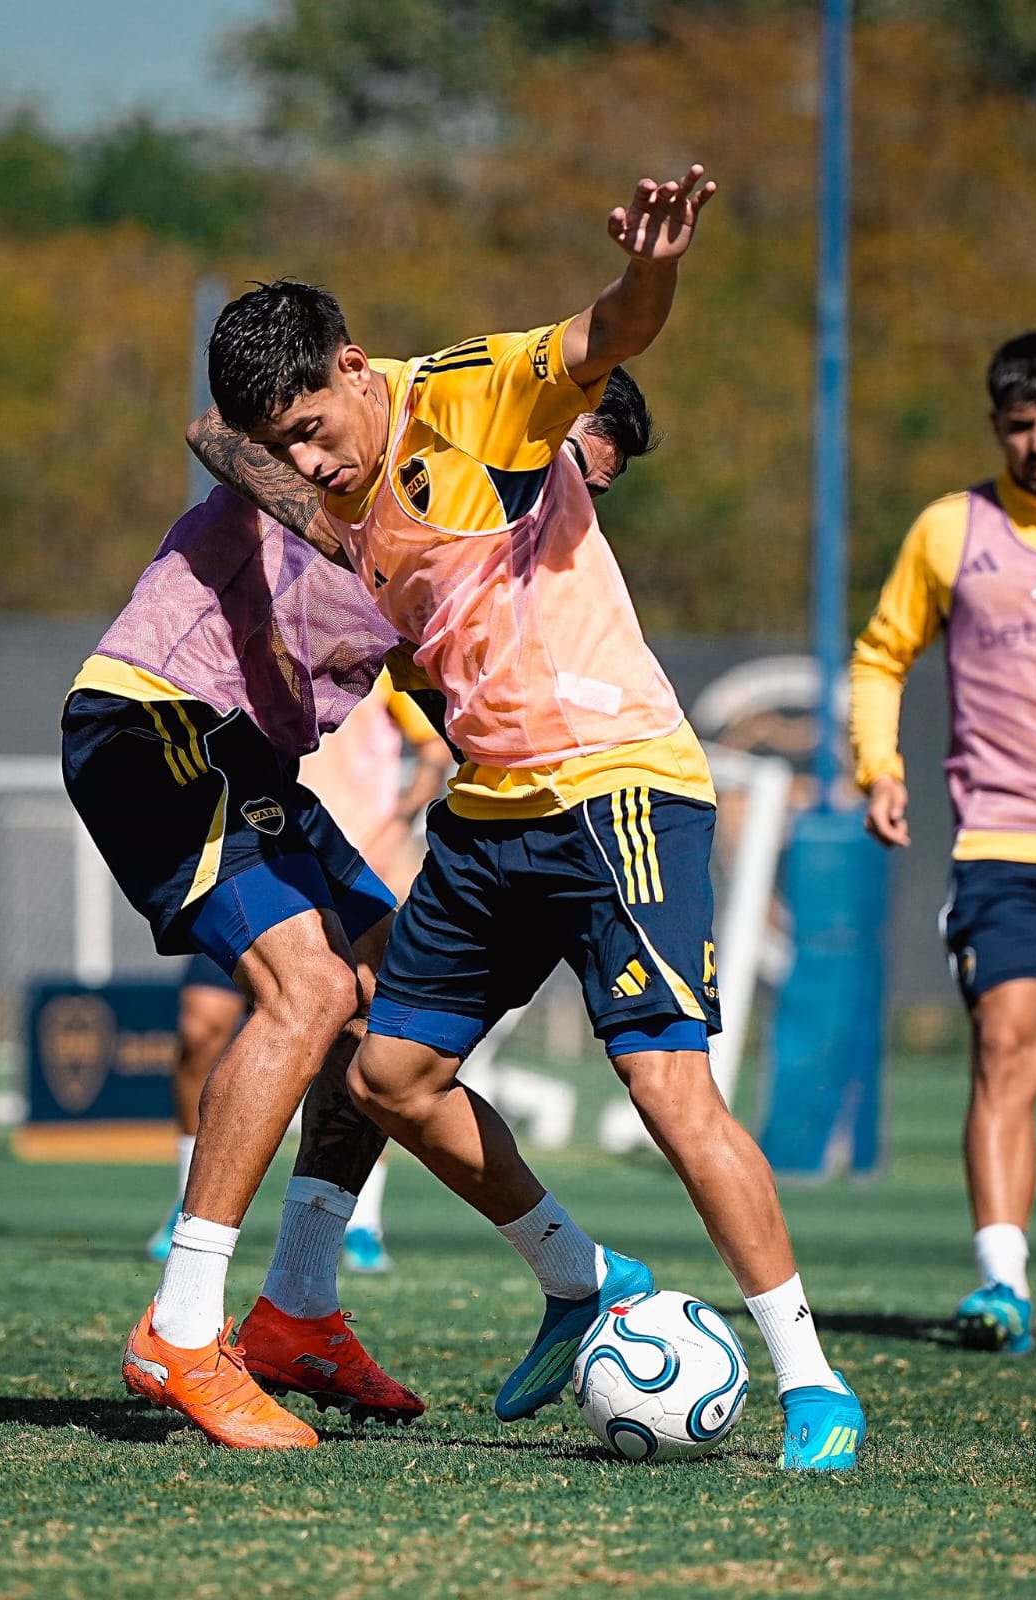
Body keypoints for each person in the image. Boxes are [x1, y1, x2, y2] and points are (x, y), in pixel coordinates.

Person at [201, 166, 866, 1470]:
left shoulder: (461, 395)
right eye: (280, 450)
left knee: (670, 1091)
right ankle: (580, 1280)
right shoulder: (329, 505)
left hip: (618, 785)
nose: (309, 462)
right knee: (387, 1072)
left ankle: (813, 1382)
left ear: (353, 366)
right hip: (491, 817)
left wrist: (656, 265)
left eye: (313, 429)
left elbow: (604, 334)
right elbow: (395, 638)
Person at [68, 378, 652, 1451]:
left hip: (247, 760)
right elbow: (212, 428)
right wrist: (354, 531)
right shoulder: (399, 440)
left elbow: (462, 706)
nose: (563, 491)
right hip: (155, 718)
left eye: (591, 487)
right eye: (563, 458)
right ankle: (182, 1329)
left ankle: (297, 1308)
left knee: (391, 1005)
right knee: (316, 990)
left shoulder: (477, 564)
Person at [851, 328, 1036, 1356]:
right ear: (995, 428)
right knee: (1007, 1051)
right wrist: (878, 766)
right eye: (1021, 424)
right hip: (1007, 846)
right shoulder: (951, 530)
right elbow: (882, 654)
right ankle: (1002, 1283)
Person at [146, 672, 452, 1271]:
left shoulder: (376, 658)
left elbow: (436, 751)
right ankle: (190, 1202)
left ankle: (358, 1220)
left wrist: (396, 824)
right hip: (261, 856)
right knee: (201, 1028)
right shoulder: (258, 641)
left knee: (366, 1030)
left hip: (347, 863)